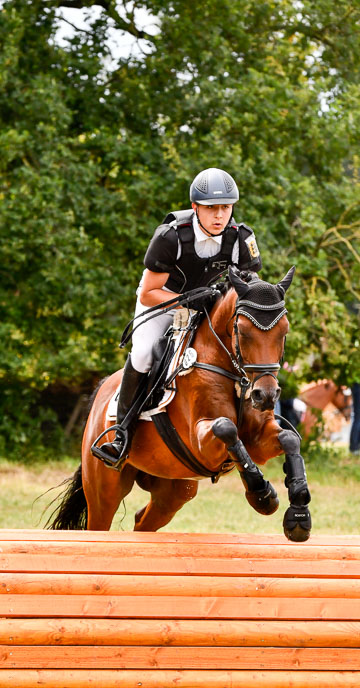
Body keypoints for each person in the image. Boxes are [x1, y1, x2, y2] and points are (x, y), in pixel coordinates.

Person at [95, 167, 262, 468]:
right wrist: (186, 302)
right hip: (162, 302)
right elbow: (148, 293)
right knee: (145, 353)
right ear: (196, 207)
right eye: (211, 208)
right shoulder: (171, 236)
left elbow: (248, 290)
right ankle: (121, 434)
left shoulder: (240, 238)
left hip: (206, 306)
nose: (219, 215)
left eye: (225, 207)